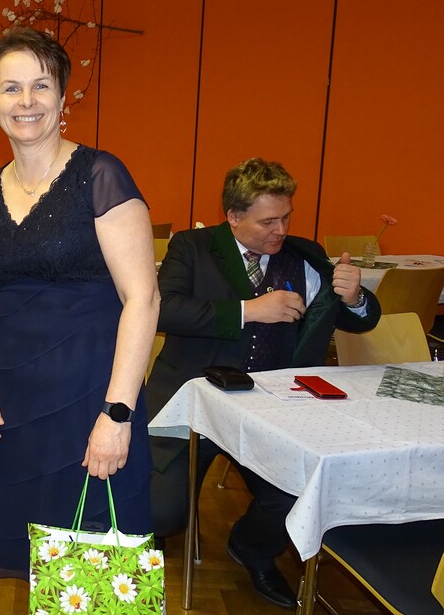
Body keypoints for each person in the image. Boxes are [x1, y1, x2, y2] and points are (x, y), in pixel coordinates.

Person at [0, 26, 161, 579]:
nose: (26, 101)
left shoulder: (100, 175)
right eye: (11, 88)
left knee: (94, 578)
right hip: (11, 405)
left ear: (63, 96)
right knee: (32, 568)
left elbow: (142, 298)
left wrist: (117, 413)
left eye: (41, 86)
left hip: (90, 398)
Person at [146, 157, 381, 609]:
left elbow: (359, 321)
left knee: (297, 495)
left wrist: (355, 297)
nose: (281, 230)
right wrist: (247, 310)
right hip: (190, 400)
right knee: (162, 514)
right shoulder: (193, 247)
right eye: (268, 221)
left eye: (286, 217)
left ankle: (251, 548)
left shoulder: (303, 255)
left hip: (271, 409)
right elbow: (163, 310)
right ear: (233, 217)